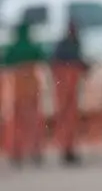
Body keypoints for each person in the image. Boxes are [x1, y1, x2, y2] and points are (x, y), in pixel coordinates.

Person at [2, 19, 47, 167]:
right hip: (32, 92)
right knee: (33, 123)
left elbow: (5, 60)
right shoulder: (32, 48)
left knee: (17, 124)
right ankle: (35, 151)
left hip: (17, 92)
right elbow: (43, 55)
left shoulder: (13, 50)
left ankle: (16, 153)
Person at [50, 22, 90, 166]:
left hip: (68, 90)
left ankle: (68, 149)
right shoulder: (70, 46)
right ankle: (67, 149)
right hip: (67, 89)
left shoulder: (67, 45)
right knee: (67, 118)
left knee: (67, 118)